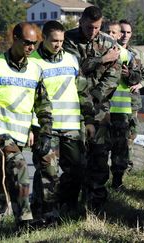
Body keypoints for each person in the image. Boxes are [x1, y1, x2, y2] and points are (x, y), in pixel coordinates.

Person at [0, 22, 52, 241]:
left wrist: (44, 132)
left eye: (35, 43)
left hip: (21, 135)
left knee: (3, 185)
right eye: (27, 42)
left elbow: (42, 105)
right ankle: (25, 222)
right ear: (14, 38)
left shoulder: (35, 70)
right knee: (19, 166)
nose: (31, 47)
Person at [63, 6, 121, 211]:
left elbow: (114, 75)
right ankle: (67, 206)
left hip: (99, 109)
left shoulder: (108, 42)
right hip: (71, 105)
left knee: (99, 157)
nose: (93, 31)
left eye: (97, 27)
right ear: (81, 22)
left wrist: (96, 97)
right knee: (73, 160)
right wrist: (101, 60)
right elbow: (73, 68)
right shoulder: (67, 39)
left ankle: (95, 206)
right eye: (89, 27)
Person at [29, 20, 83, 223]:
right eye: (54, 41)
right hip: (45, 127)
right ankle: (47, 215)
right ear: (44, 38)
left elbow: (82, 91)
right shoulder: (32, 62)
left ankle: (67, 208)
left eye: (61, 40)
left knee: (77, 170)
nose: (58, 44)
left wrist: (89, 121)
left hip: (71, 126)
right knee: (48, 173)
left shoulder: (72, 59)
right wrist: (31, 128)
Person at [106, 21, 142, 190]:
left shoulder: (127, 55)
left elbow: (137, 78)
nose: (110, 35)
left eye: (114, 32)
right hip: (101, 110)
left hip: (120, 109)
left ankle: (117, 182)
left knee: (120, 150)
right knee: (98, 149)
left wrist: (129, 75)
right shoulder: (97, 53)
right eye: (108, 32)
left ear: (120, 35)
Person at [118, 19, 144, 182]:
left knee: (130, 137)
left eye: (128, 32)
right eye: (122, 31)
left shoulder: (137, 54)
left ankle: (126, 170)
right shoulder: (108, 50)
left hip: (131, 102)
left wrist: (141, 83)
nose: (125, 35)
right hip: (110, 104)